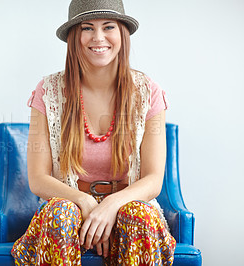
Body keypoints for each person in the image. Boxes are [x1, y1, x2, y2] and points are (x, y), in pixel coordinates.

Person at [11, 0, 176, 265]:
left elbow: (154, 179)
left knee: (139, 218)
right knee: (60, 214)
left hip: (128, 207)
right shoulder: (48, 91)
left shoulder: (148, 92)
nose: (98, 37)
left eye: (108, 26)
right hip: (69, 207)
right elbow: (38, 179)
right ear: (74, 37)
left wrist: (110, 206)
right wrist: (85, 202)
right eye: (87, 28)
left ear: (121, 32)